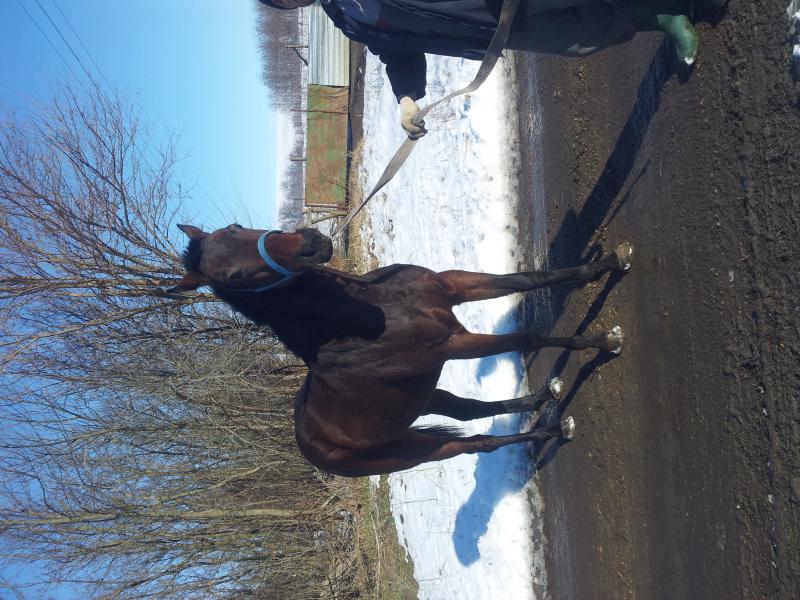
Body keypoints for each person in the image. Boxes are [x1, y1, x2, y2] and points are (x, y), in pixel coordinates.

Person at [260, 0, 726, 139]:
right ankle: (664, 15)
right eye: (283, 0)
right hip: (491, 30)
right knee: (582, 35)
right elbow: (396, 51)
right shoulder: (346, 19)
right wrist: (406, 97)